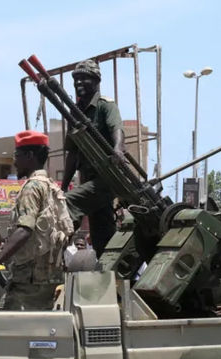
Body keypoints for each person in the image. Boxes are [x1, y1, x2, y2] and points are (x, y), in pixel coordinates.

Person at [0, 130, 73, 311]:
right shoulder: (51, 186)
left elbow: (24, 229)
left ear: (30, 156)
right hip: (48, 275)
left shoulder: (32, 187)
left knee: (9, 324)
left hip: (29, 278)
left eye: (17, 156)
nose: (15, 162)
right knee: (38, 324)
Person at [62, 59, 125, 258]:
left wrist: (118, 149)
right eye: (76, 79)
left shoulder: (105, 106)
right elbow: (72, 153)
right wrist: (63, 186)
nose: (78, 83)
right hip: (89, 180)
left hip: (106, 178)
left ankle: (58, 249)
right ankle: (107, 267)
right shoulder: (75, 112)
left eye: (84, 78)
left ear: (97, 81)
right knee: (102, 235)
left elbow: (117, 129)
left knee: (66, 204)